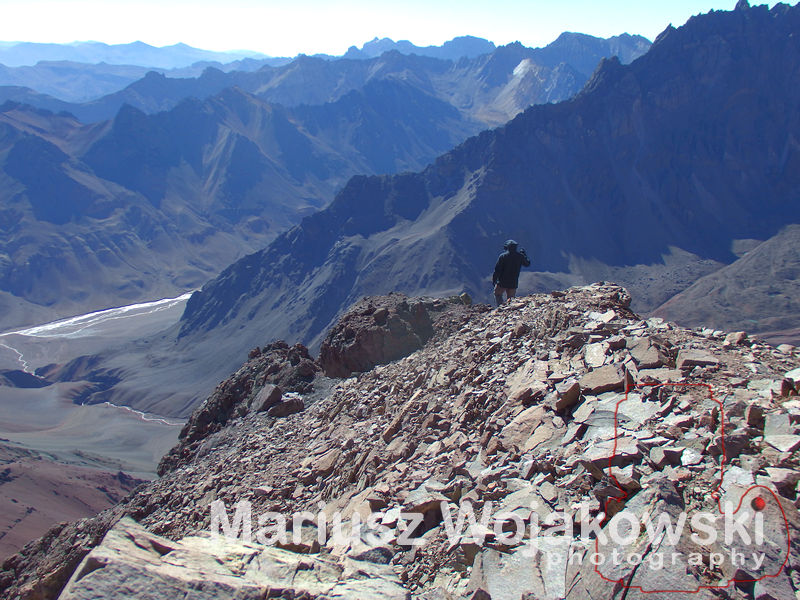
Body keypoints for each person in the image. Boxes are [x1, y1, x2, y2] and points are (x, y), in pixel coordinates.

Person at [492, 240, 530, 306]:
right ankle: (509, 310)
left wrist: (494, 279)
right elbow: (527, 264)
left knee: (497, 294)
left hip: (502, 282)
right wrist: (524, 255)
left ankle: (500, 307)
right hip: (513, 283)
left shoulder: (503, 256)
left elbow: (497, 270)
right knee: (511, 299)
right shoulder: (520, 256)